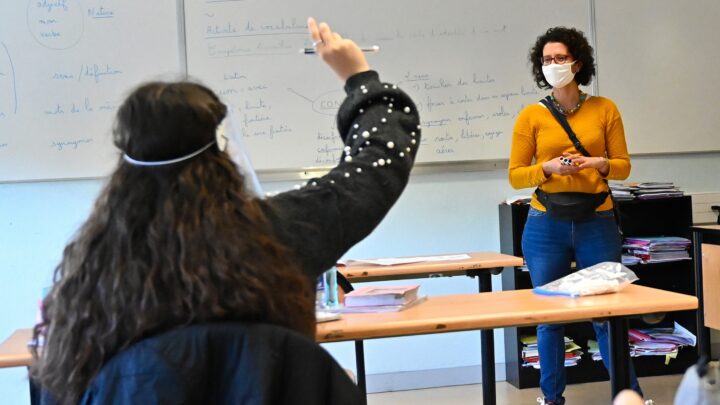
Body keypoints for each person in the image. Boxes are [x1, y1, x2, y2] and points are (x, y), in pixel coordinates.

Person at [30, 17, 421, 404]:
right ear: (218, 153)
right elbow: (374, 166)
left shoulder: (94, 274)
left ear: (126, 162)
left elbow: (61, 389)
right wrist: (359, 78)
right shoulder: (273, 236)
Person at [508, 27, 640, 405]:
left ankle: (630, 397)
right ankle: (552, 399)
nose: (553, 65)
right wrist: (547, 169)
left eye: (560, 58)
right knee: (550, 318)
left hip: (596, 222)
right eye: (547, 60)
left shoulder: (604, 109)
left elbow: (623, 167)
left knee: (607, 315)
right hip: (545, 224)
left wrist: (599, 163)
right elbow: (516, 174)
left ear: (577, 63)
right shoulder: (531, 115)